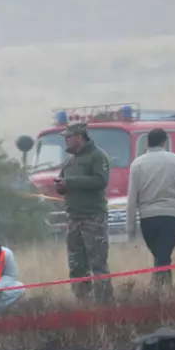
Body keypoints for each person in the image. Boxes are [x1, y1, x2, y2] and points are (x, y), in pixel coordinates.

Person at [126, 128, 175, 287]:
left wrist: (130, 229)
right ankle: (163, 290)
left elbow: (131, 200)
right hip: (170, 217)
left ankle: (161, 290)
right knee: (163, 256)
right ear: (164, 142)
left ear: (147, 143)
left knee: (160, 256)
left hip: (147, 219)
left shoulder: (137, 164)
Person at [54, 122, 114, 303]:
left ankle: (105, 304)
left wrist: (70, 182)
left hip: (93, 217)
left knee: (98, 264)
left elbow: (100, 181)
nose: (66, 141)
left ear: (79, 137)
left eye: (68, 137)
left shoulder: (98, 156)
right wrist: (61, 187)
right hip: (73, 218)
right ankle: (82, 302)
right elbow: (64, 184)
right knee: (76, 264)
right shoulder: (68, 161)